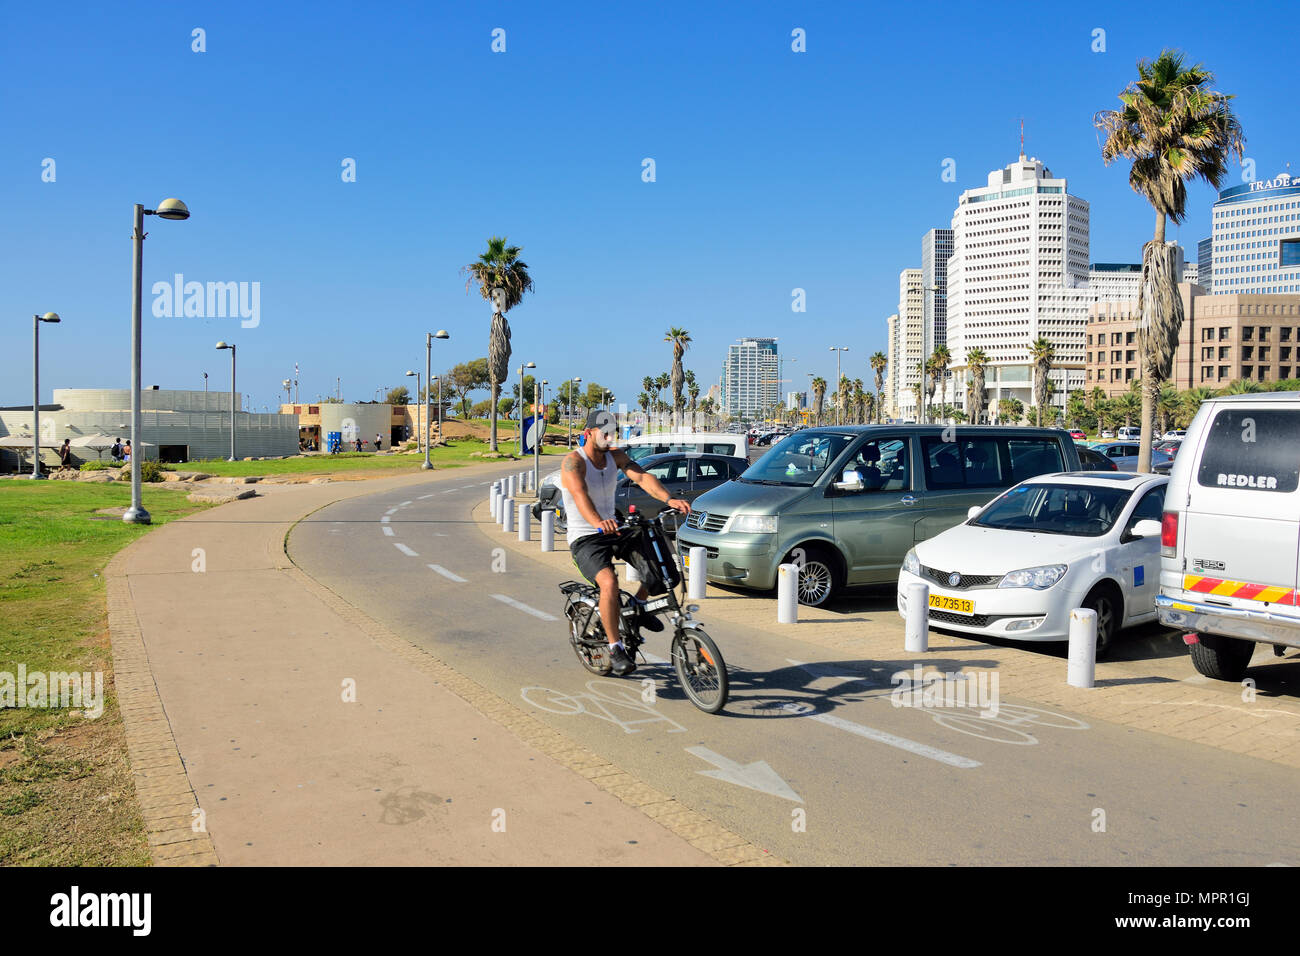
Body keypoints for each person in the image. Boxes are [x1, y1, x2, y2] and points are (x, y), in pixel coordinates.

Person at [560, 409, 690, 677]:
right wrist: (597, 521)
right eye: (604, 433)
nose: (609, 437)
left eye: (612, 432)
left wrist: (668, 499)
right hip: (586, 536)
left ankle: (638, 607)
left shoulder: (615, 456)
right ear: (588, 433)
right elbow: (579, 494)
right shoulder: (574, 462)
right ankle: (615, 647)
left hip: (614, 527)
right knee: (609, 582)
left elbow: (642, 477)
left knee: (658, 562)